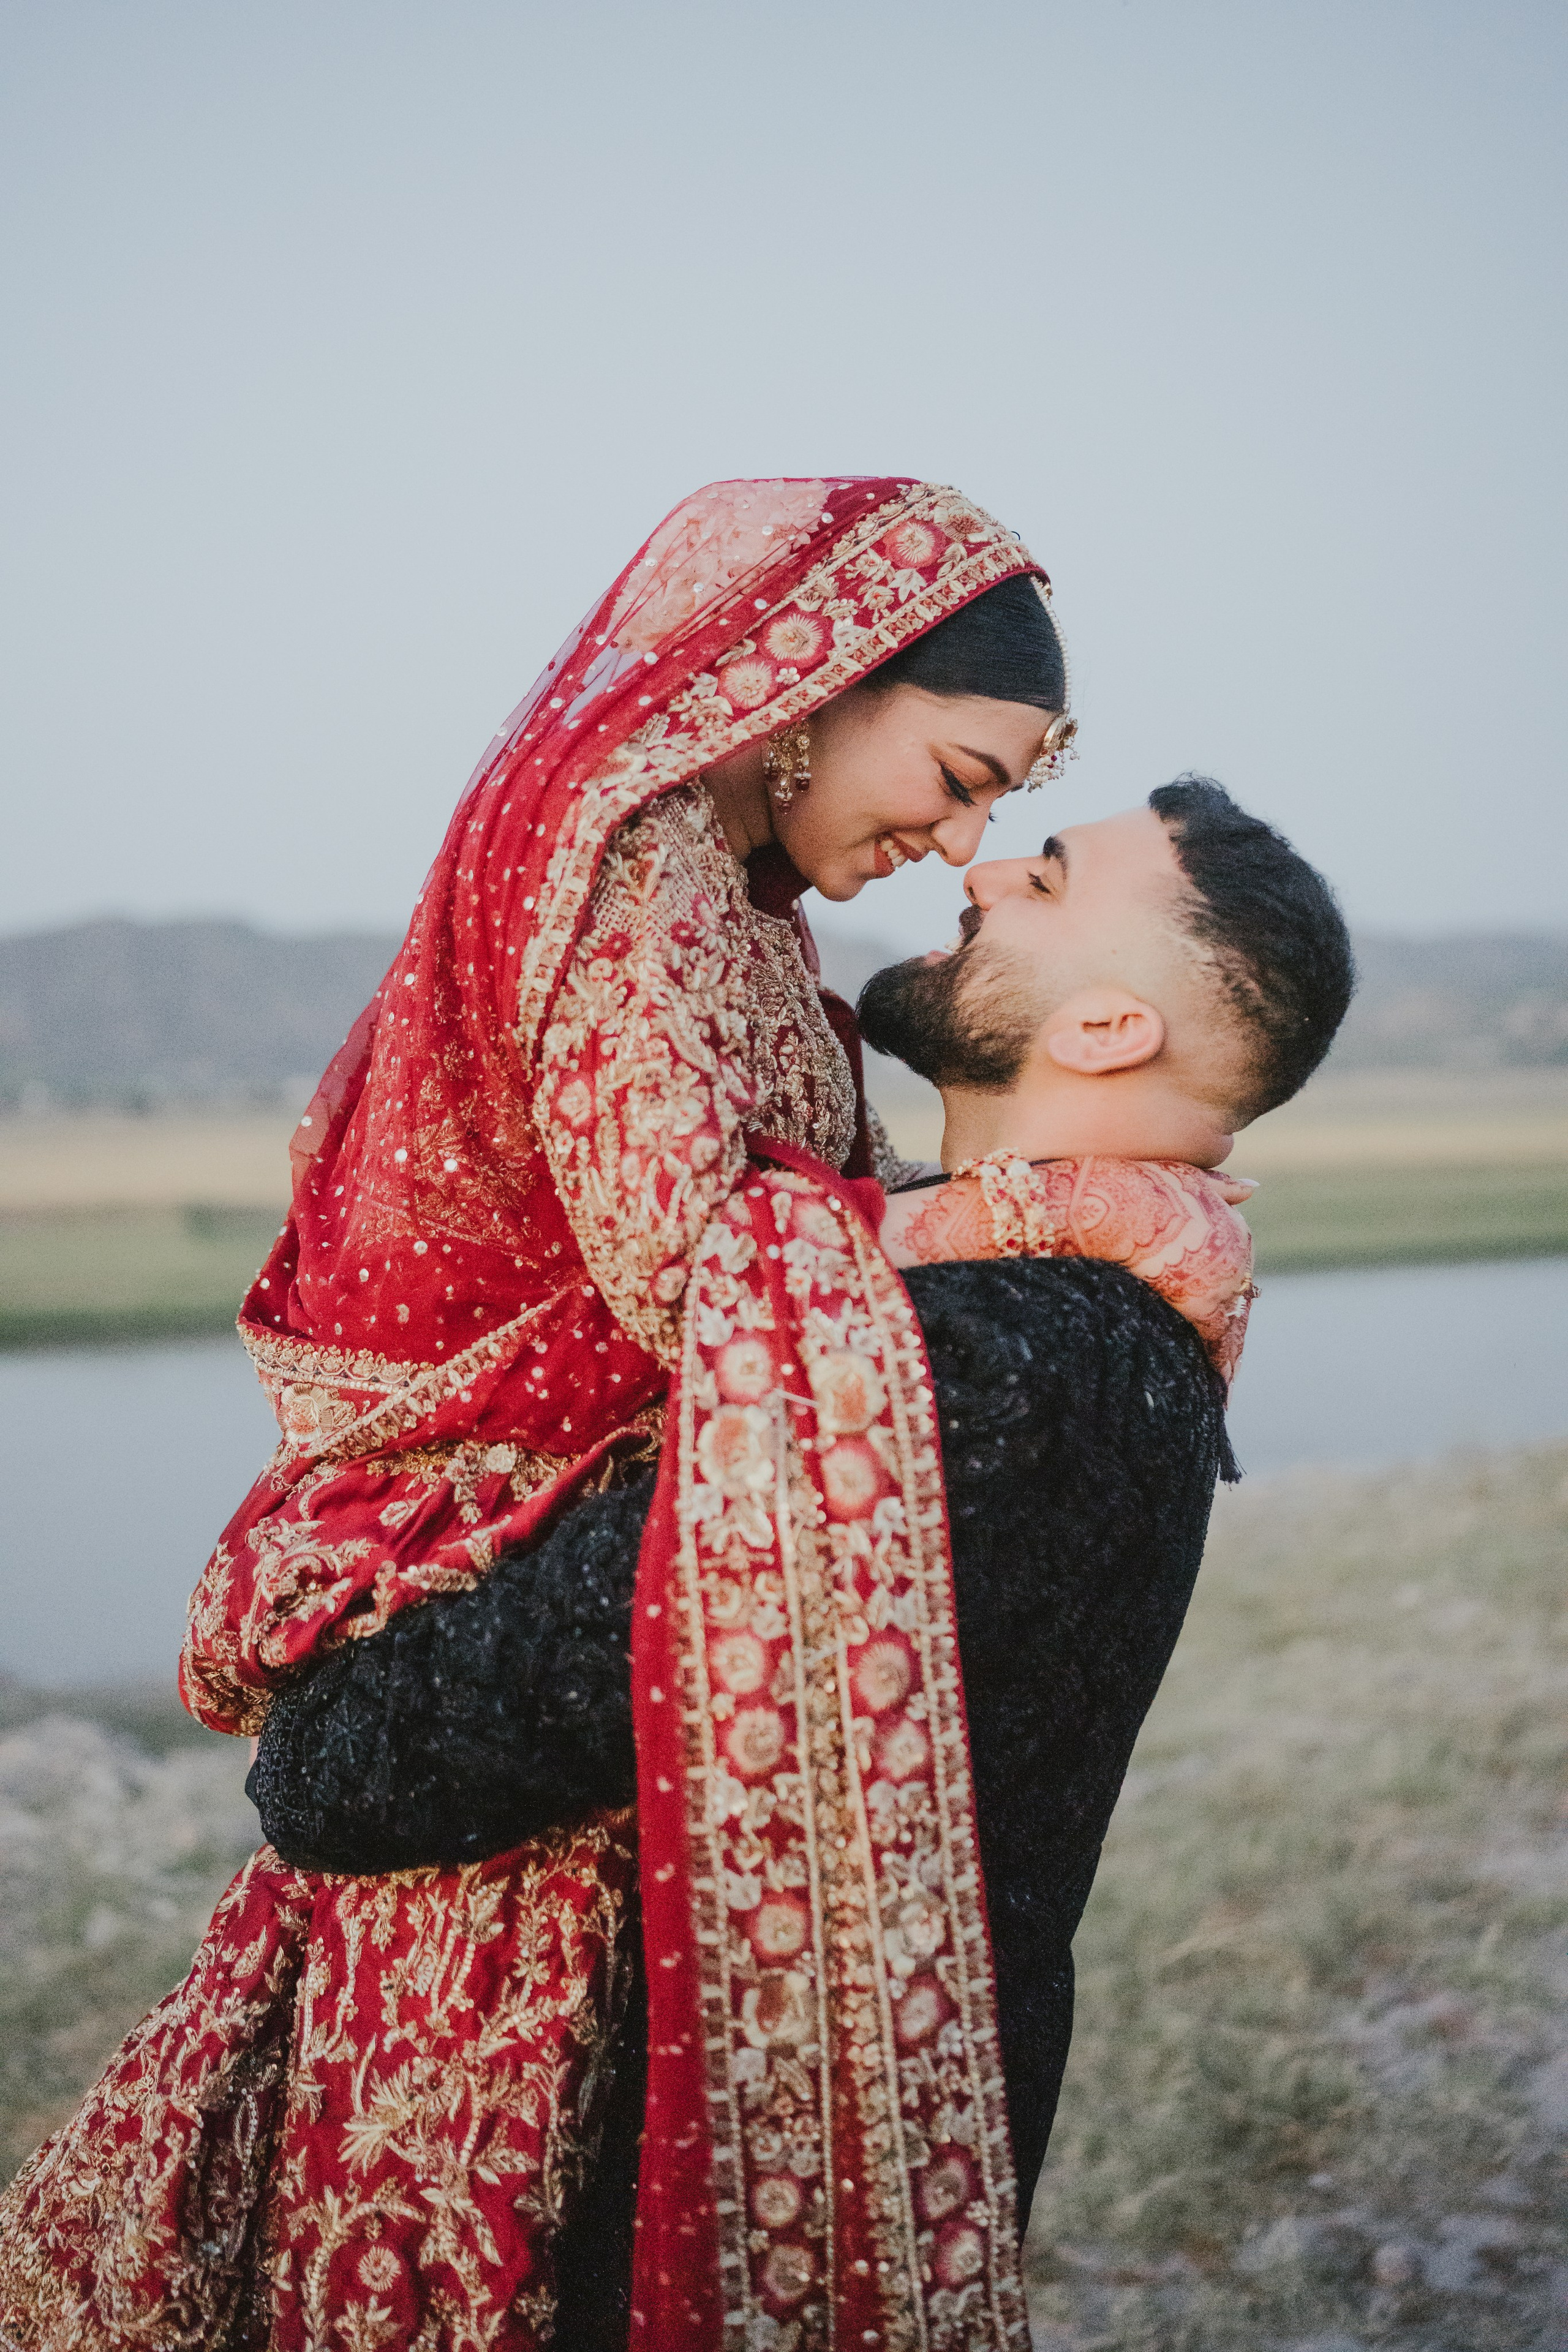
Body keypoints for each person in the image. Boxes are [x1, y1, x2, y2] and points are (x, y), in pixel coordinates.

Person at [1, 477, 1127, 2352]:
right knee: (469, 2195)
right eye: (958, 769)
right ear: (812, 684)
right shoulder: (623, 885)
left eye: (1004, 802)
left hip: (634, 1584)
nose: (962, 836)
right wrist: (1041, 1226)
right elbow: (706, 1287)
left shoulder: (752, 923)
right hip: (515, 1586)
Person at [247, 780, 1355, 2346]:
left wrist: (322, 1635)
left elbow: (364, 1783)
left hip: (669, 2194)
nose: (979, 866)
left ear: (1107, 1030)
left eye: (1042, 874)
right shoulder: (1044, 1302)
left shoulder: (979, 1365)